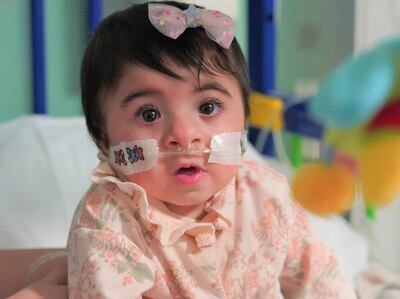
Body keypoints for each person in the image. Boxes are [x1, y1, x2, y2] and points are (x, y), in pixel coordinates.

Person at [12, 1, 355, 298]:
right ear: (105, 140)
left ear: (244, 121)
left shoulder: (268, 197)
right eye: (149, 114)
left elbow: (322, 282)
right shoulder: (108, 220)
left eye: (208, 108)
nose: (183, 135)